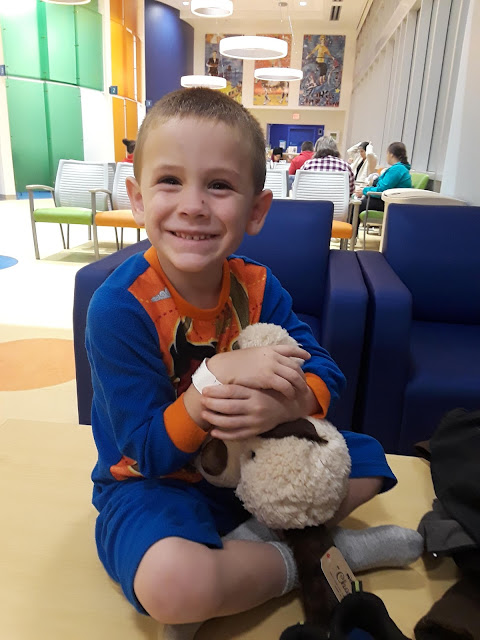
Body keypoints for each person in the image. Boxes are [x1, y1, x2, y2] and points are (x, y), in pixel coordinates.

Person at [86, 88, 421, 636]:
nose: (193, 204)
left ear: (256, 210)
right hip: (154, 486)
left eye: (219, 185)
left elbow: (325, 373)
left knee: (369, 460)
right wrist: (214, 379)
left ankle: (241, 565)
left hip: (251, 469)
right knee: (173, 584)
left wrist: (286, 405)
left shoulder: (258, 286)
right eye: (170, 180)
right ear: (138, 199)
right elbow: (145, 451)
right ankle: (314, 557)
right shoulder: (119, 308)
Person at [356, 141, 412, 214]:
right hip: (392, 201)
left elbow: (381, 190)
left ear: (391, 154)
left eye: (387, 153)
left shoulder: (397, 169)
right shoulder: (400, 169)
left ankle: (351, 221)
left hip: (391, 203)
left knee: (358, 205)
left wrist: (364, 191)